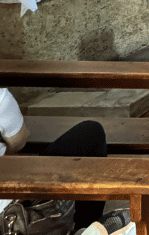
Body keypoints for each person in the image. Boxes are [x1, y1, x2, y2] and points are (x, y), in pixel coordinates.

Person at [1, 87, 110, 230]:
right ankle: (85, 229)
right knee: (91, 133)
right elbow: (18, 141)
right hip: (10, 216)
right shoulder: (1, 98)